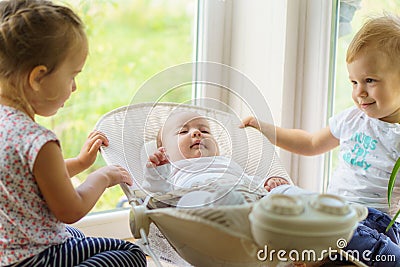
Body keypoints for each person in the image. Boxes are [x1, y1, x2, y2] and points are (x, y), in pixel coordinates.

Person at [242, 14, 400, 267]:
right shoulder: (351, 119)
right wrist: (268, 130)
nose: (359, 92)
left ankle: (323, 251)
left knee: (359, 239)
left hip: (376, 222)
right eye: (353, 82)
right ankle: (319, 247)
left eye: (370, 81)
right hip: (335, 214)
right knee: (285, 198)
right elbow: (311, 143)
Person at [0, 0, 146, 266]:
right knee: (131, 255)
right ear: (38, 78)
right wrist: (103, 176)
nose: (75, 87)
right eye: (72, 75)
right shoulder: (38, 142)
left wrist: (79, 164)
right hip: (37, 257)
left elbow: (28, 179)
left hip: (8, 254)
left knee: (74, 236)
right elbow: (71, 208)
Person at [142, 110, 295, 207]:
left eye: (204, 130)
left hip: (245, 197)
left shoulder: (227, 163)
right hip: (201, 201)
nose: (197, 133)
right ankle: (228, 204)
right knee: (189, 201)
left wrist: (268, 183)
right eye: (183, 132)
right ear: (165, 151)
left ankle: (311, 205)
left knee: (284, 191)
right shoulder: (170, 170)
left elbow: (250, 181)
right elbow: (157, 196)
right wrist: (158, 171)